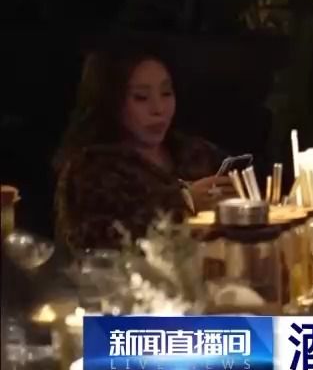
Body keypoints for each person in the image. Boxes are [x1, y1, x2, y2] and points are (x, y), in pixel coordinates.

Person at [55, 45, 233, 250]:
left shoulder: (193, 152)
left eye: (166, 93)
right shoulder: (89, 170)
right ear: (111, 102)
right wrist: (183, 202)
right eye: (141, 97)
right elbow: (100, 243)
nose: (158, 109)